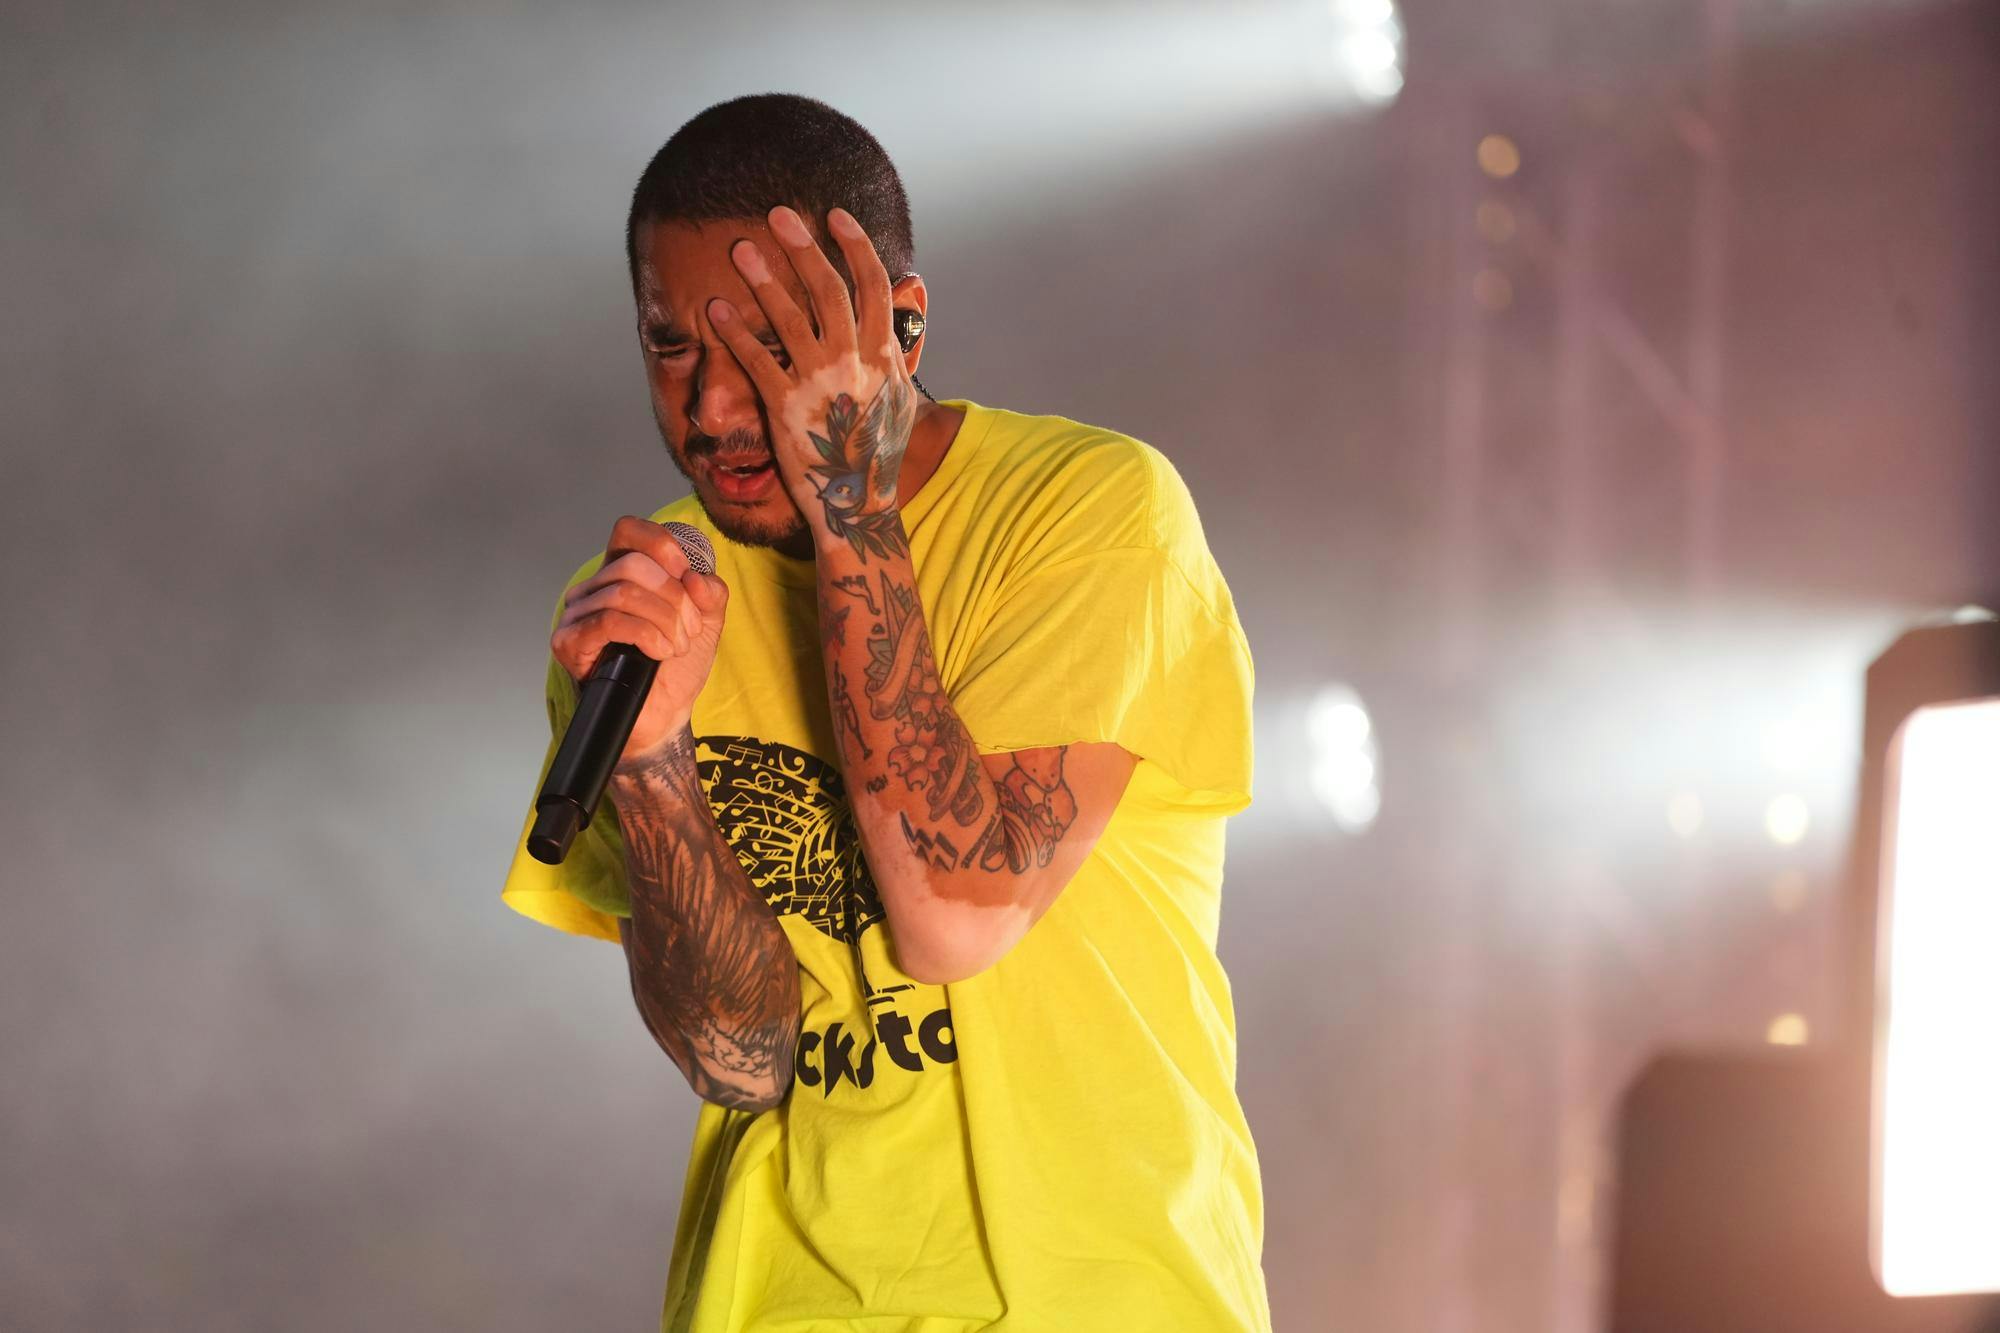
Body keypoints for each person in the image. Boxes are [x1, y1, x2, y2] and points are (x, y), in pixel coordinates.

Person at [500, 93, 1269, 1332]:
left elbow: (957, 917)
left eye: (767, 345)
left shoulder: (1088, 512)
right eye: (669, 344)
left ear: (896, 327)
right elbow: (740, 1059)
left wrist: (848, 505)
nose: (709, 407)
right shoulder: (645, 612)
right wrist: (647, 761)